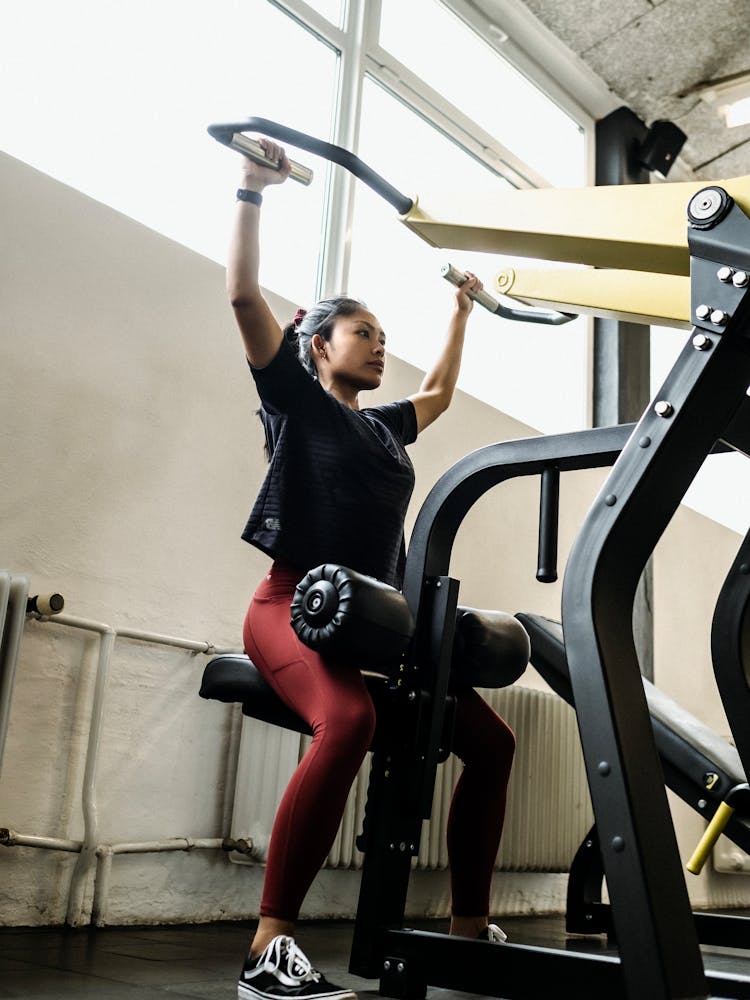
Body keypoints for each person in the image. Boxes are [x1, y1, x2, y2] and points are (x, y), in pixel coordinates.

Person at [227, 139, 525, 1000]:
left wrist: (462, 312)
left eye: (382, 337)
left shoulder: (384, 426)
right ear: (316, 344)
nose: (378, 346)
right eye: (364, 333)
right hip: (292, 607)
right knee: (348, 723)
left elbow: (435, 394)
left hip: (375, 619)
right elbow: (245, 295)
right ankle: (267, 949)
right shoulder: (294, 400)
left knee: (490, 743)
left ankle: (470, 929)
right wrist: (253, 190)